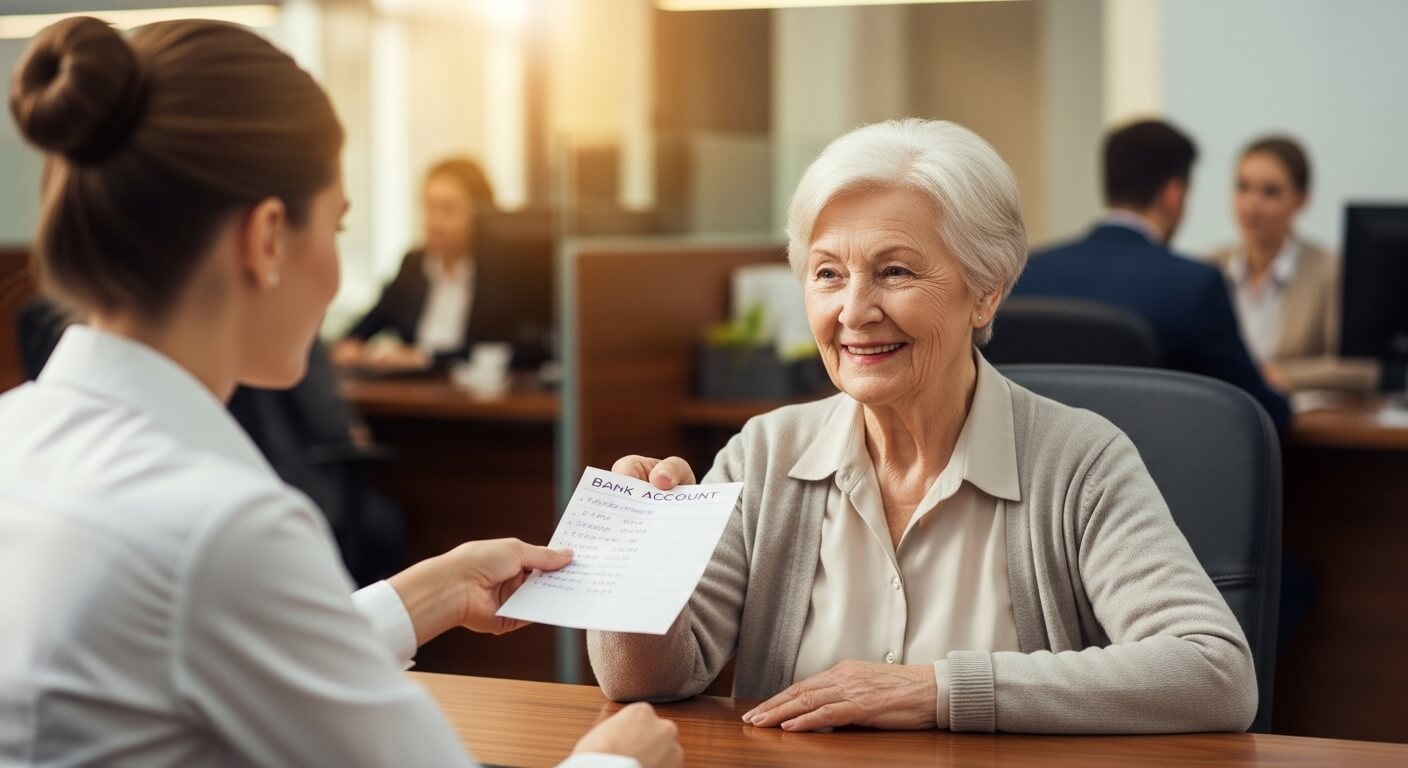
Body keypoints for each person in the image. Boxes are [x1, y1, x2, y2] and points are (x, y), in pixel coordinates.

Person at [0, 17, 680, 768]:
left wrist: (427, 594)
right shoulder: (222, 528)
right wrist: (616, 762)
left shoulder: (17, 438)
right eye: (338, 226)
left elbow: (211, 645)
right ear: (266, 238)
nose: (333, 274)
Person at [588, 119, 1258, 734]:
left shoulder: (1080, 461)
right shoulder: (765, 453)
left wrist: (935, 690)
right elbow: (646, 680)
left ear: (986, 290)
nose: (854, 312)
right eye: (828, 273)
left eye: (895, 271)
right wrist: (635, 560)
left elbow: (1215, 673)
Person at [1011, 119, 1290, 431]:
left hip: (1042, 459)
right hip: (1149, 461)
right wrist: (1281, 397)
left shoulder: (1026, 272)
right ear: (1173, 194)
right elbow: (1256, 411)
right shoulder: (1194, 285)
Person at [1208, 136, 1379, 392]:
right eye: (1243, 187)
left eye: (1270, 192)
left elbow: (1361, 369)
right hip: (1223, 408)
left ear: (1302, 199)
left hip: (1300, 413)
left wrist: (1276, 375)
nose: (1252, 204)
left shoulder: (1330, 270)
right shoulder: (1208, 267)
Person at [332, 158, 496, 370]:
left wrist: (423, 357)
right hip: (413, 387)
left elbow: (495, 350)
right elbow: (368, 324)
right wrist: (351, 345)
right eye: (429, 207)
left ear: (480, 213)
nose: (435, 222)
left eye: (448, 210)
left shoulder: (497, 275)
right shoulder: (414, 265)